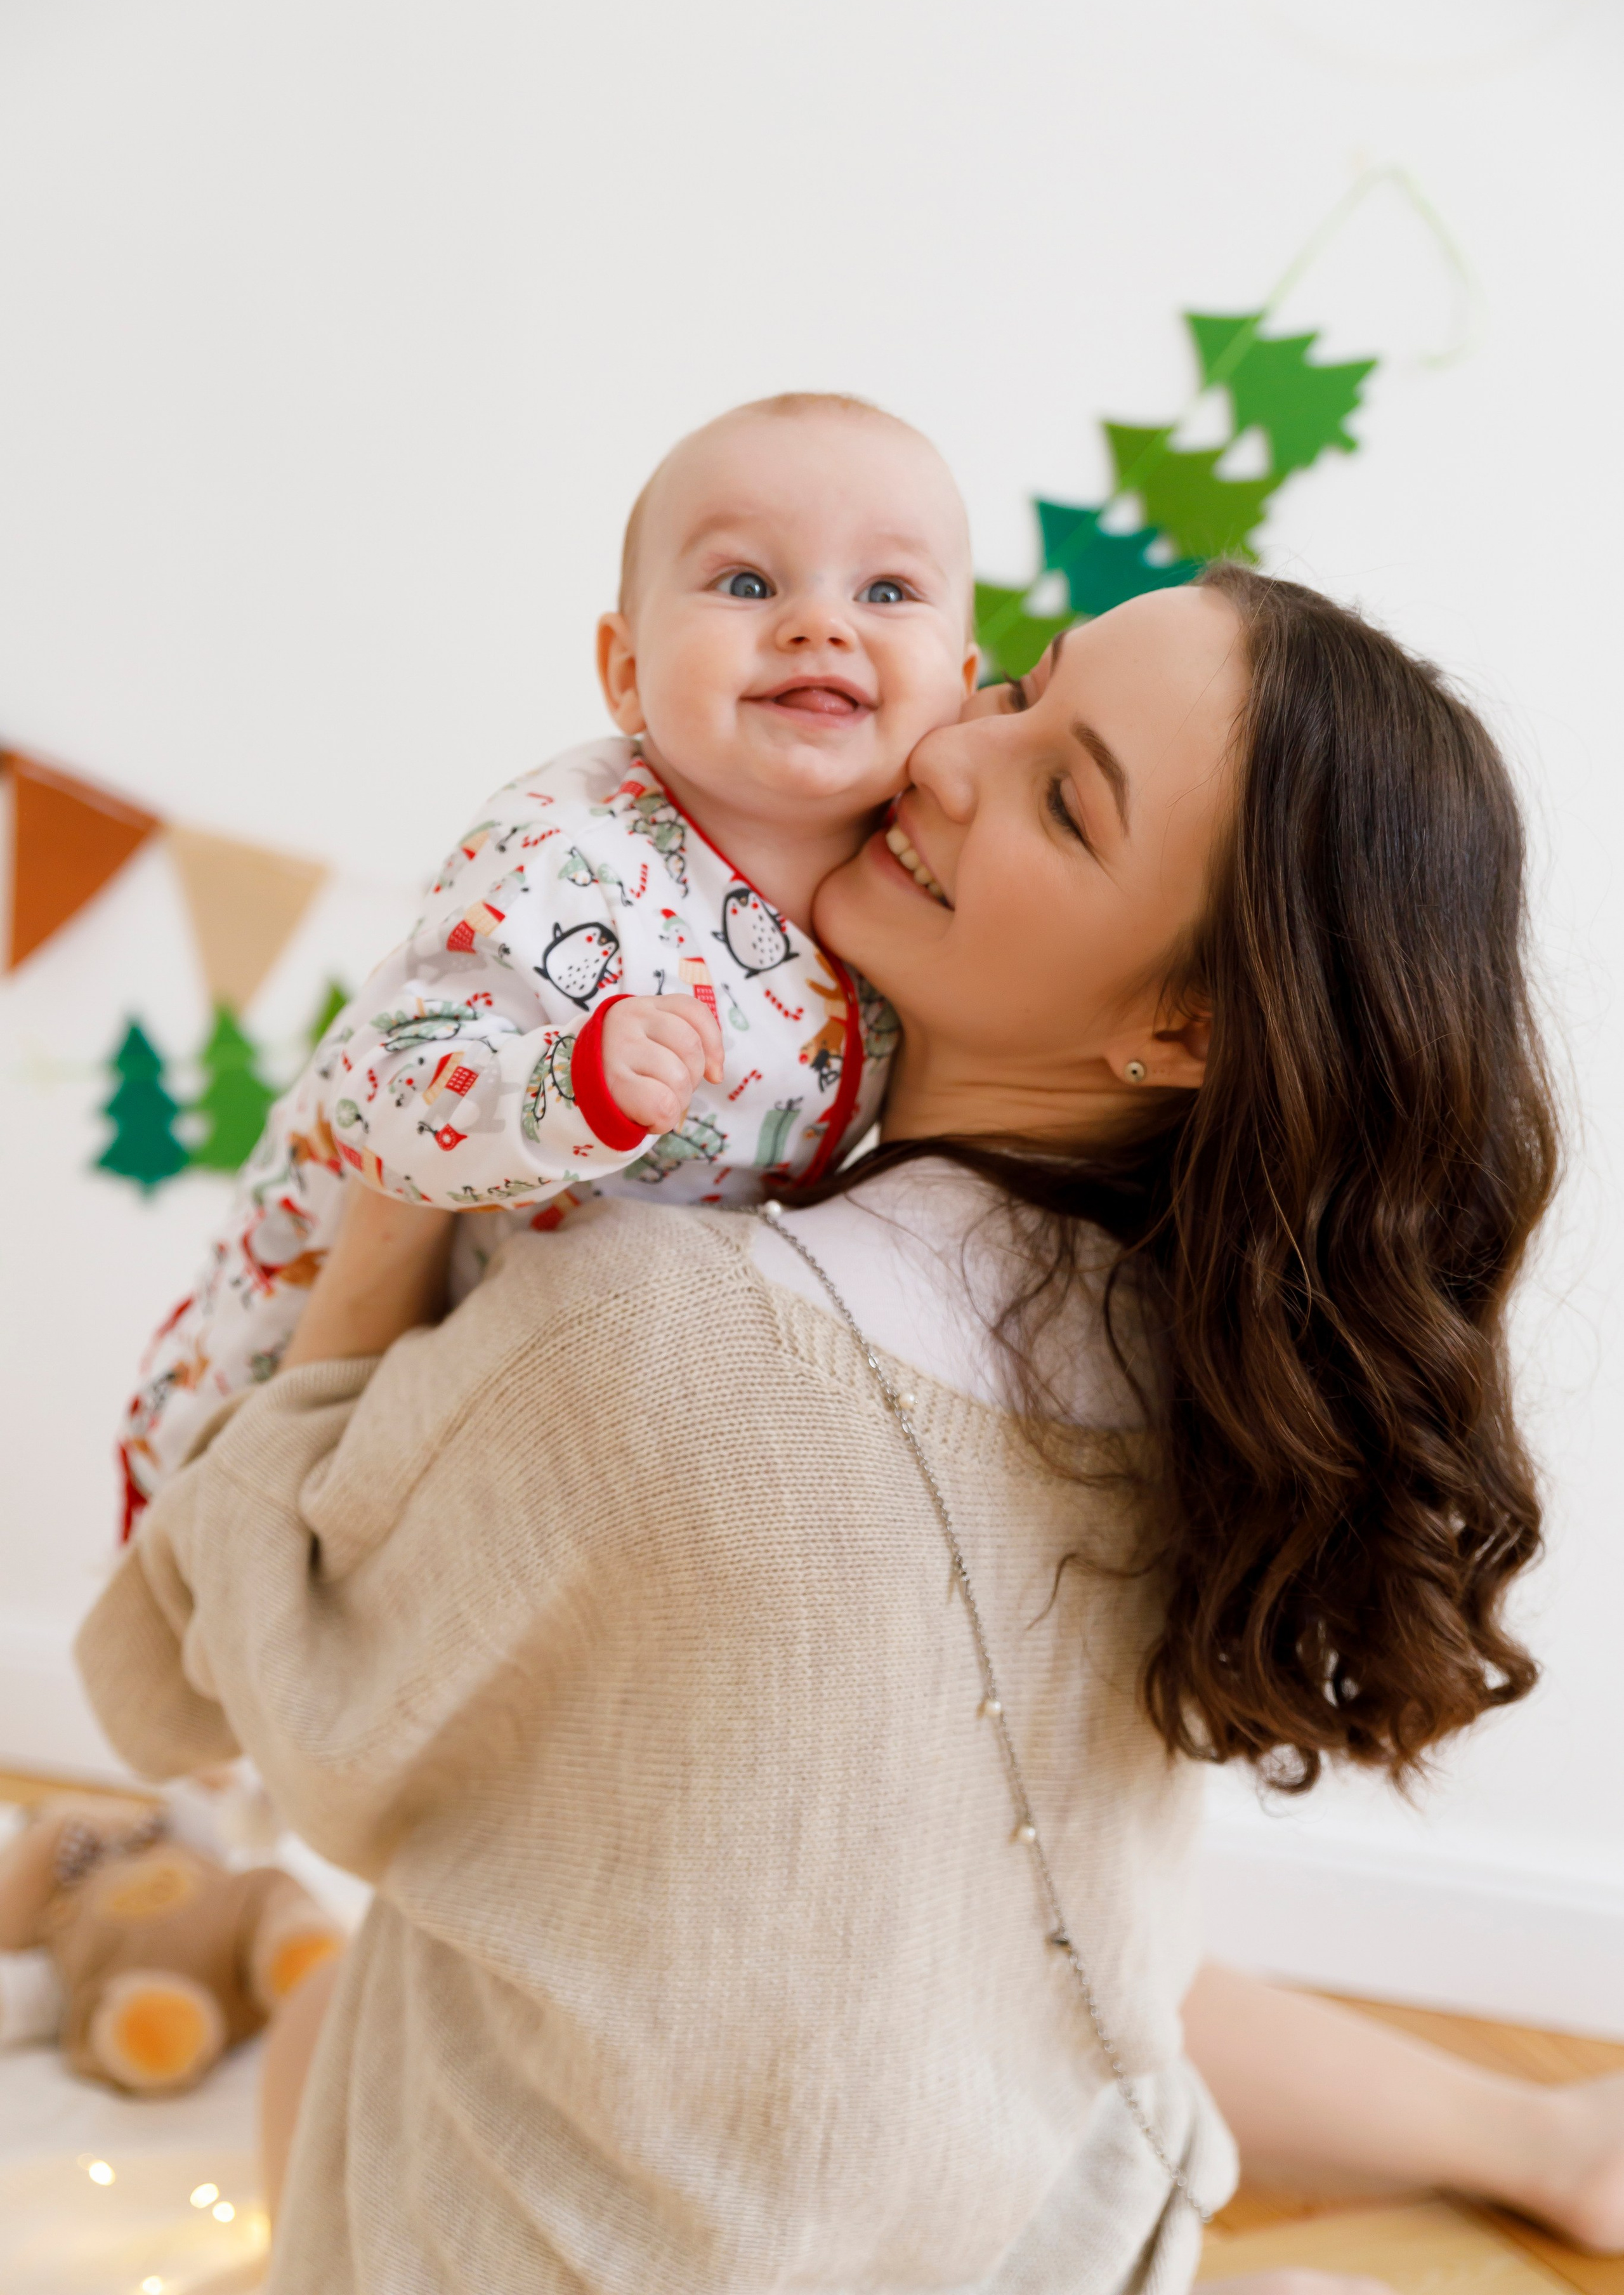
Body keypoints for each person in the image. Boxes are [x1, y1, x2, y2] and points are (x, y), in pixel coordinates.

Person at [77, 569, 1620, 2293]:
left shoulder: (662, 1330)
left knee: (335, 2023)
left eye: (1063, 797)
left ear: (1178, 1030)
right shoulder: (1218, 1369)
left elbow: (227, 1696)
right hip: (1034, 2218)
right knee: (964, 1930)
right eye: (1022, 685)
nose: (950, 750)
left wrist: (390, 1189)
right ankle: (1551, 2141)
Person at [115, 391, 978, 1521]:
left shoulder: (913, 885)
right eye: (747, 582)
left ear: (962, 690)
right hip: (309, 1358)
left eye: (886, 590)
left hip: (535, 1396)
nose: (820, 624)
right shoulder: (568, 851)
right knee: (231, 1610)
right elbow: (387, 1091)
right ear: (626, 670)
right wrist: (566, 1081)